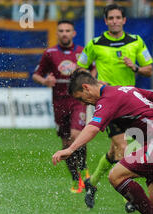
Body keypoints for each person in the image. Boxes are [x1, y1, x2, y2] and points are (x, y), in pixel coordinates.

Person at [52, 69, 153, 214]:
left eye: (82, 98)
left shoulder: (107, 99)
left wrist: (71, 149)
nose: (86, 103)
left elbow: (93, 127)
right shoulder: (125, 89)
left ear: (86, 88)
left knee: (116, 176)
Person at [76, 3, 153, 208]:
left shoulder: (136, 42)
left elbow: (149, 69)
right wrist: (94, 83)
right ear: (106, 21)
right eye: (111, 18)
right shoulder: (95, 43)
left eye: (118, 17)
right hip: (108, 102)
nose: (114, 21)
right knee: (124, 146)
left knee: (115, 152)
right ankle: (129, 197)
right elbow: (79, 69)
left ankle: (91, 183)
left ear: (124, 20)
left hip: (130, 102)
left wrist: (135, 67)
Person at [33, 20, 92, 193]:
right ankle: (76, 178)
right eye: (61, 31)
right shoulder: (50, 53)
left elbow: (93, 69)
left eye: (68, 30)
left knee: (76, 134)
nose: (64, 33)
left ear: (74, 33)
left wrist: (87, 79)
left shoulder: (82, 52)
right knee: (66, 143)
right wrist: (45, 81)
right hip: (59, 102)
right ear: (57, 33)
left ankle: (84, 168)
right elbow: (37, 75)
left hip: (78, 100)